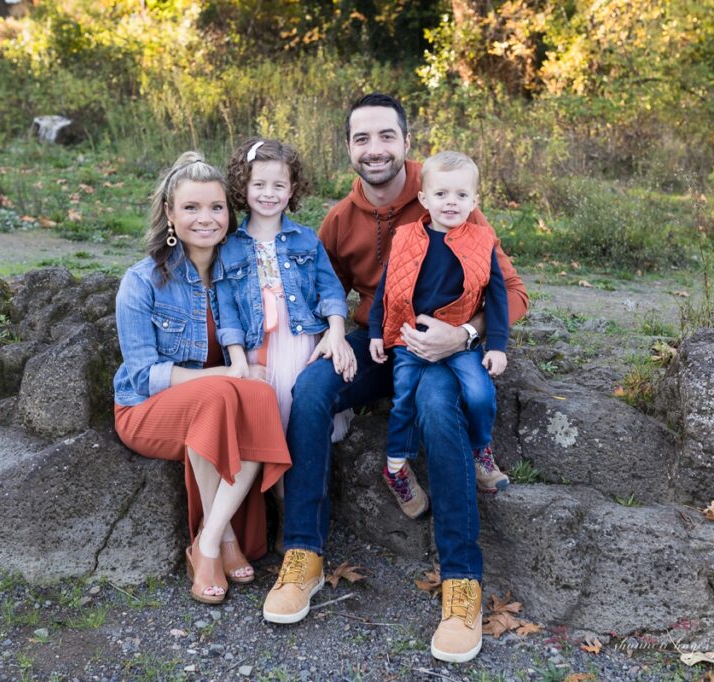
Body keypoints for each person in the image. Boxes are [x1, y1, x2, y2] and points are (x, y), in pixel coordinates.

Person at [263, 94, 529, 664]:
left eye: (386, 135)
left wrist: (465, 335)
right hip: (376, 342)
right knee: (311, 389)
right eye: (362, 138)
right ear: (349, 149)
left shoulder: (447, 197)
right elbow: (320, 293)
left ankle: (461, 581)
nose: (374, 149)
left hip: (440, 347)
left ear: (407, 142)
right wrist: (334, 333)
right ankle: (303, 554)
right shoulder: (341, 219)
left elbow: (514, 291)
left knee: (437, 409)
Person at [113, 152, 290, 605]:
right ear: (170, 214)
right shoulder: (142, 281)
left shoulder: (240, 274)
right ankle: (222, 540)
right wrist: (224, 373)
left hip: (217, 403)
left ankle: (209, 540)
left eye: (216, 207)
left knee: (259, 394)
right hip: (147, 410)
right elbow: (143, 375)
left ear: (229, 213)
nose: (206, 218)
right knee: (220, 393)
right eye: (191, 208)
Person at [214, 137, 356, 547]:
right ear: (243, 186)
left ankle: (295, 523)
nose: (269, 194)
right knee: (267, 440)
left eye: (279, 185)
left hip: (301, 347)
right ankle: (275, 516)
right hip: (256, 353)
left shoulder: (306, 240)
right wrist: (237, 360)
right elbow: (226, 310)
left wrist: (335, 331)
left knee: (299, 436)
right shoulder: (229, 247)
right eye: (259, 184)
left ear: (292, 189)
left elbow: (331, 290)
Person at [368, 150, 510, 520]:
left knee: (479, 391)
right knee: (404, 400)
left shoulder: (482, 241)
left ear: (474, 202)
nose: (451, 202)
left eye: (461, 195)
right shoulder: (405, 238)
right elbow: (387, 289)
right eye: (442, 194)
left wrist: (496, 345)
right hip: (410, 339)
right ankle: (396, 468)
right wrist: (375, 332)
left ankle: (481, 449)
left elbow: (498, 295)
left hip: (459, 340)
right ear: (424, 199)